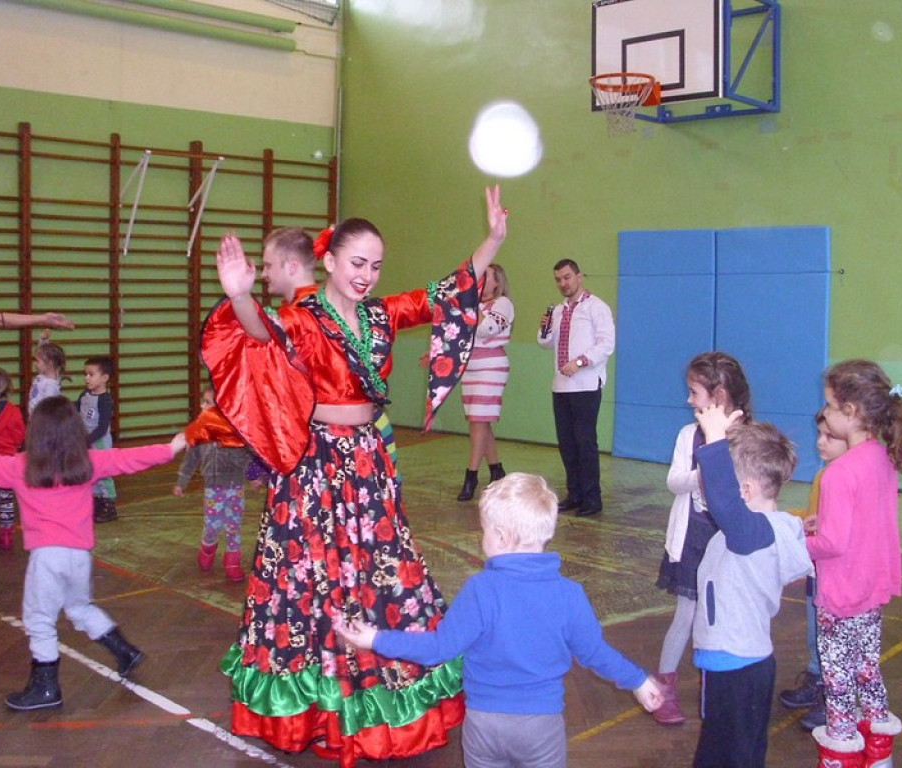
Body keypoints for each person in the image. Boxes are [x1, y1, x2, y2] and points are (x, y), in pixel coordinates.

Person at [200, 186, 508, 766]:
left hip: (367, 461)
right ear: (332, 262)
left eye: (376, 266)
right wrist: (240, 296)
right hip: (315, 464)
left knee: (377, 567)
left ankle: (380, 689)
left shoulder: (383, 315)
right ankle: (315, 703)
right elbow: (260, 332)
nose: (367, 274)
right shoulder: (304, 318)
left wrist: (490, 241)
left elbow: (446, 292)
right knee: (308, 574)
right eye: (358, 263)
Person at [334, 472, 664, 768]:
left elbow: (438, 648)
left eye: (485, 532)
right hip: (541, 726)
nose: (482, 539)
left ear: (503, 537)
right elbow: (596, 653)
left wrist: (375, 638)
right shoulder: (569, 594)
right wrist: (638, 681)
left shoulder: (481, 589)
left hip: (483, 724)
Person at [0, 396, 185, 711]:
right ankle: (124, 650)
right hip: (79, 557)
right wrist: (171, 448)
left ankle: (46, 689)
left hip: (47, 558)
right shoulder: (87, 462)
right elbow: (127, 458)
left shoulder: (20, 466)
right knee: (79, 607)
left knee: (39, 619)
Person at [808, 360, 902, 767]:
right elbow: (868, 520)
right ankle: (879, 758)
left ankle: (840, 757)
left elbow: (833, 543)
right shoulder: (882, 458)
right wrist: (823, 524)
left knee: (837, 683)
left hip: (841, 594)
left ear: (851, 412)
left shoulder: (839, 473)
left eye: (830, 405)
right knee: (868, 671)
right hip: (872, 588)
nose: (827, 413)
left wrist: (799, 541)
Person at [690, 406, 812, 768]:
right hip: (734, 662)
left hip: (737, 665)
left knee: (734, 756)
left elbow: (725, 504)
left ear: (745, 490)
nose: (708, 487)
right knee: (723, 750)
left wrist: (713, 441)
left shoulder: (753, 534)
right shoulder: (754, 531)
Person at [653, 351, 752, 725]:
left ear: (720, 393)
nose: (689, 400)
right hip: (693, 536)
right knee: (687, 614)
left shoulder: (747, 436)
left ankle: (722, 687)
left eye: (694, 392)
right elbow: (674, 481)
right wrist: (705, 471)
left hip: (729, 540)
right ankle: (664, 687)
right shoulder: (687, 435)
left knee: (726, 614)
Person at [778, 409, 849, 732]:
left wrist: (799, 543)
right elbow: (815, 515)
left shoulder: (844, 478)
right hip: (816, 571)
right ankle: (817, 676)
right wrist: (786, 517)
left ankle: (833, 695)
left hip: (836, 574)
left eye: (829, 436)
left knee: (833, 638)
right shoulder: (824, 475)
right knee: (814, 632)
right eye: (819, 434)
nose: (820, 442)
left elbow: (839, 534)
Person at [536, 259, 615, 517]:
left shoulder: (596, 307)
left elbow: (606, 344)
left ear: (580, 276)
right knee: (567, 444)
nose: (563, 283)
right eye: (558, 279)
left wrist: (580, 361)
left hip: (586, 385)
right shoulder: (557, 310)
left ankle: (592, 499)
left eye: (567, 277)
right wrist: (545, 326)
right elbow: (545, 343)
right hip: (560, 386)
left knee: (585, 443)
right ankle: (575, 494)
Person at [172, 385, 252, 582]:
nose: (202, 405)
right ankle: (207, 548)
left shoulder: (235, 432)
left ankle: (233, 562)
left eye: (207, 402)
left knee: (234, 526)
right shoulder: (200, 432)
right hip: (213, 489)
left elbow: (249, 457)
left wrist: (255, 476)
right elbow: (191, 459)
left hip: (234, 486)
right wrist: (182, 481)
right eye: (203, 401)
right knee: (212, 526)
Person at [456, 263, 514, 501]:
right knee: (479, 421)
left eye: (485, 277)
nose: (479, 280)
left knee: (479, 421)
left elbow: (487, 329)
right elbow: (458, 334)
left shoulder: (503, 304)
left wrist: (472, 305)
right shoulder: (473, 306)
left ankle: (471, 476)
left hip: (491, 367)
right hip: (469, 367)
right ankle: (496, 470)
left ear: (497, 282)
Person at [76, 356, 119, 523]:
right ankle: (97, 501)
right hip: (86, 439)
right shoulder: (85, 394)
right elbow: (76, 409)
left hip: (98, 441)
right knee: (90, 471)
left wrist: (88, 439)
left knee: (103, 471)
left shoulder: (105, 400)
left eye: (91, 374)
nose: (86, 377)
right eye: (85, 374)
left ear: (105, 378)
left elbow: (102, 427)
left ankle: (109, 503)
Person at [0, 368, 26, 551]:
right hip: (6, 464)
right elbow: (19, 436)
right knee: (5, 501)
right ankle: (6, 533)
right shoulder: (13, 412)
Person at [28, 332, 67, 415]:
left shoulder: (51, 385)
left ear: (49, 363)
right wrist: (43, 340)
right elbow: (43, 352)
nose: (35, 363)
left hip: (43, 420)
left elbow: (49, 409)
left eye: (37, 361)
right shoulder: (44, 374)